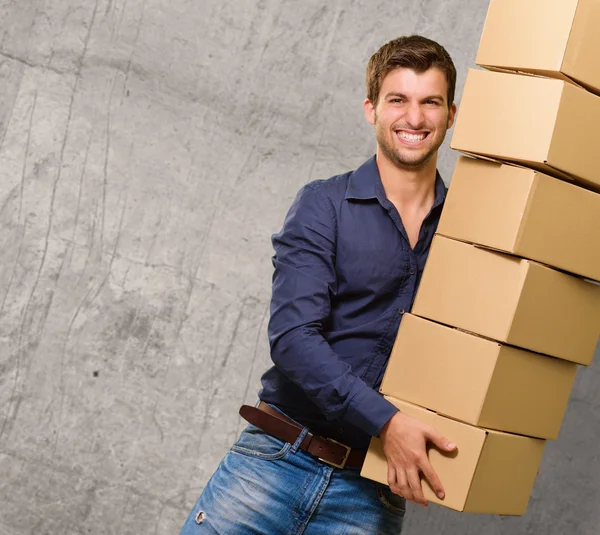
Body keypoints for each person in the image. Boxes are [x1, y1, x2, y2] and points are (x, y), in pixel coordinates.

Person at [180, 34, 458, 535]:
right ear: (371, 109)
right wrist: (389, 424)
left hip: (369, 495)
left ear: (451, 114)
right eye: (398, 100)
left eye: (429, 102)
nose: (414, 119)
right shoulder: (323, 206)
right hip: (272, 467)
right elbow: (293, 339)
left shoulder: (470, 238)